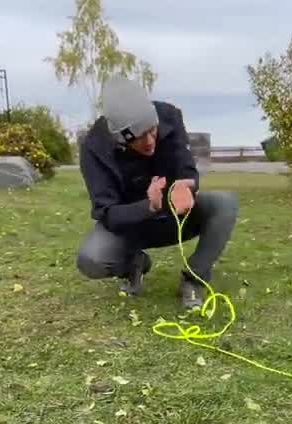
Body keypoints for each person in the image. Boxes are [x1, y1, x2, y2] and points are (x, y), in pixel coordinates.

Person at [76, 77, 239, 309]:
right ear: (121, 137)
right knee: (91, 260)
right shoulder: (95, 148)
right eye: (140, 138)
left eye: (152, 131)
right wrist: (149, 206)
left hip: (176, 214)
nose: (150, 141)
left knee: (224, 204)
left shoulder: (169, 115)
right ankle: (135, 263)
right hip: (132, 226)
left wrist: (185, 186)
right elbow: (108, 213)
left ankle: (194, 279)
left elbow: (186, 166)